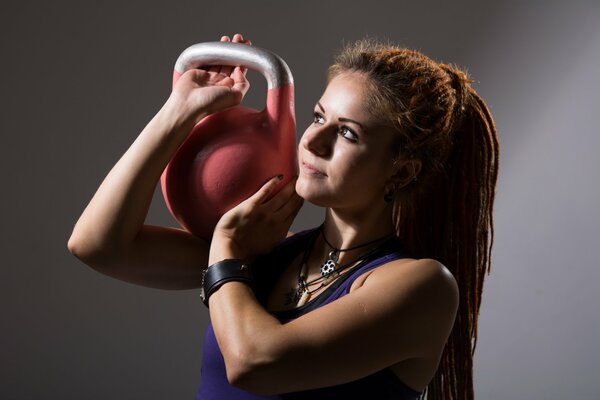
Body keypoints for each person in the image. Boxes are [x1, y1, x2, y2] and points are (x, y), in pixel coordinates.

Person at [68, 33, 499, 400]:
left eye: (347, 132)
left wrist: (225, 251)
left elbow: (255, 362)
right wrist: (182, 109)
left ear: (401, 170)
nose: (313, 141)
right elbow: (98, 246)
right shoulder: (267, 254)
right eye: (318, 117)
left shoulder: (421, 287)